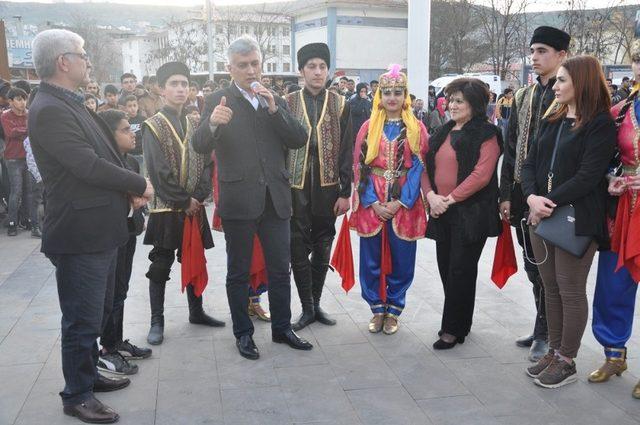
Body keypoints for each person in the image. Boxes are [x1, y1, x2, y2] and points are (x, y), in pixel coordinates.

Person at [29, 29, 153, 424]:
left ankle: (89, 375)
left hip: (100, 225)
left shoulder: (72, 103)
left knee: (96, 311)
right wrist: (137, 184)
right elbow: (85, 164)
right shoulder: (49, 108)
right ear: (63, 61)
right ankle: (77, 394)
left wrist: (128, 189)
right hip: (80, 233)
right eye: (82, 54)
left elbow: (108, 153)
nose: (88, 61)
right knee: (81, 318)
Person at [192, 36, 311, 360]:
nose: (250, 70)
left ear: (262, 63)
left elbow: (299, 138)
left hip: (275, 197)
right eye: (243, 65)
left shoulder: (275, 99)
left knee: (279, 268)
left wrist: (275, 110)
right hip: (239, 199)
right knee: (238, 271)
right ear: (230, 68)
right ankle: (243, 334)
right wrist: (213, 125)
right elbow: (199, 144)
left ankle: (283, 328)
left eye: (255, 63)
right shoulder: (219, 99)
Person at [521, 55, 616, 389]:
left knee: (571, 289)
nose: (556, 85)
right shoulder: (553, 117)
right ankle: (554, 350)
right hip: (540, 214)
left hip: (577, 217)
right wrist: (532, 197)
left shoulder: (600, 123)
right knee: (551, 287)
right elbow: (529, 163)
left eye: (562, 80)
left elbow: (589, 175)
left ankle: (567, 359)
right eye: (556, 80)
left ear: (582, 82)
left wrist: (548, 201)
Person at [499, 26, 570, 361]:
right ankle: (541, 326)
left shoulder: (568, 96)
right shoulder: (525, 95)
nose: (535, 57)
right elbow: (510, 149)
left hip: (553, 198)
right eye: (532, 51)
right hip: (521, 193)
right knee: (532, 265)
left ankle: (548, 334)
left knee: (550, 270)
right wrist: (506, 194)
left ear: (561, 56)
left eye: (542, 51)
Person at [142, 61, 225, 346]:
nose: (180, 89)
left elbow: (205, 161)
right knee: (160, 264)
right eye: (173, 84)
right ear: (160, 89)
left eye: (184, 84)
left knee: (194, 256)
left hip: (195, 206)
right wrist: (183, 199)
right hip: (168, 207)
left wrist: (199, 196)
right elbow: (157, 170)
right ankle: (157, 320)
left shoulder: (194, 122)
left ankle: (196, 311)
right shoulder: (152, 126)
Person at [424, 78, 502, 349]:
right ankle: (461, 323)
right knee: (447, 268)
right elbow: (425, 166)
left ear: (474, 105)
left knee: (461, 269)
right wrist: (432, 196)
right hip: (440, 210)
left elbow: (482, 175)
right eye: (450, 100)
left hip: (470, 213)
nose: (452, 105)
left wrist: (450, 199)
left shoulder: (487, 133)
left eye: (459, 100)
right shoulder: (443, 130)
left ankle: (452, 329)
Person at [351, 65, 428, 335]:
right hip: (372, 201)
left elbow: (419, 166)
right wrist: (372, 201)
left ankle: (394, 309)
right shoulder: (368, 127)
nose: (392, 98)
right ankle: (376, 308)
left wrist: (400, 202)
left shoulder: (416, 127)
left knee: (402, 258)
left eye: (397, 92)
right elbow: (359, 166)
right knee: (370, 258)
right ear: (379, 96)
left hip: (403, 204)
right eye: (387, 93)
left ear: (404, 95)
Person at [285, 43, 353, 330]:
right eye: (311, 66)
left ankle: (316, 302)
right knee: (297, 244)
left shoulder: (340, 103)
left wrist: (345, 191)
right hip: (295, 184)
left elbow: (347, 149)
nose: (317, 72)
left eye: (322, 67)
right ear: (301, 71)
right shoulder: (286, 102)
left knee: (324, 242)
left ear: (328, 71)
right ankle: (306, 307)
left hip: (328, 184)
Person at [589, 40, 640, 398]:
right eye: (638, 59)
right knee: (613, 282)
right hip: (623, 209)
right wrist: (612, 178)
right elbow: (604, 159)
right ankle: (613, 354)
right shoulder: (620, 111)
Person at [96, 109, 151, 375]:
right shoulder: (105, 166)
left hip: (128, 232)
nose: (132, 134)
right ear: (109, 134)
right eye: (125, 129)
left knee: (121, 290)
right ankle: (106, 349)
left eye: (132, 128)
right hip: (110, 235)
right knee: (108, 295)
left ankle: (116, 340)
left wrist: (138, 205)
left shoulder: (132, 163)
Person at [1, 88, 33, 236]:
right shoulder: (5, 116)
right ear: (10, 101)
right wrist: (25, 130)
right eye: (19, 99)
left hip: (28, 157)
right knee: (16, 191)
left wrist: (21, 130)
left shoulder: (29, 114)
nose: (22, 102)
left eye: (24, 99)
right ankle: (12, 222)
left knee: (28, 190)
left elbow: (32, 130)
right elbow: (10, 132)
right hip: (12, 158)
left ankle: (26, 219)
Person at [121, 95, 145, 171]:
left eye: (134, 105)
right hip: (128, 155)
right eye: (129, 106)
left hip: (141, 155)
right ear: (125, 108)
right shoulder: (123, 121)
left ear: (138, 106)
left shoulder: (144, 120)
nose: (132, 108)